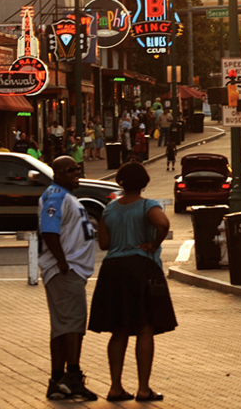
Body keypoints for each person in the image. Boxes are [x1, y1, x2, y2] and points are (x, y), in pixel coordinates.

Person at [89, 162, 176, 402]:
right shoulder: (148, 205)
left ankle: (115, 387)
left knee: (119, 329)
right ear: (145, 183)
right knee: (145, 327)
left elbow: (104, 244)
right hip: (141, 268)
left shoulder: (109, 210)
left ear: (120, 182)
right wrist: (153, 244)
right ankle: (143, 388)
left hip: (113, 270)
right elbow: (163, 224)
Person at [37, 156, 98, 401]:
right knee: (72, 325)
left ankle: (57, 380)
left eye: (77, 168)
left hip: (72, 270)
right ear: (58, 173)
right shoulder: (56, 196)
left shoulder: (66, 196)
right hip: (66, 270)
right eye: (70, 170)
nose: (77, 172)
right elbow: (49, 231)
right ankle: (71, 377)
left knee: (64, 325)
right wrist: (62, 262)